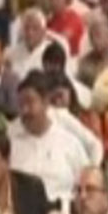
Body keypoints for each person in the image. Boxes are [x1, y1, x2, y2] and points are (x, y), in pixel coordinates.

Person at [9, 72, 89, 207]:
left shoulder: (69, 143)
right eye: (21, 104)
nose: (25, 110)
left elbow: (87, 183)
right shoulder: (10, 142)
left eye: (29, 102)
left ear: (46, 102)